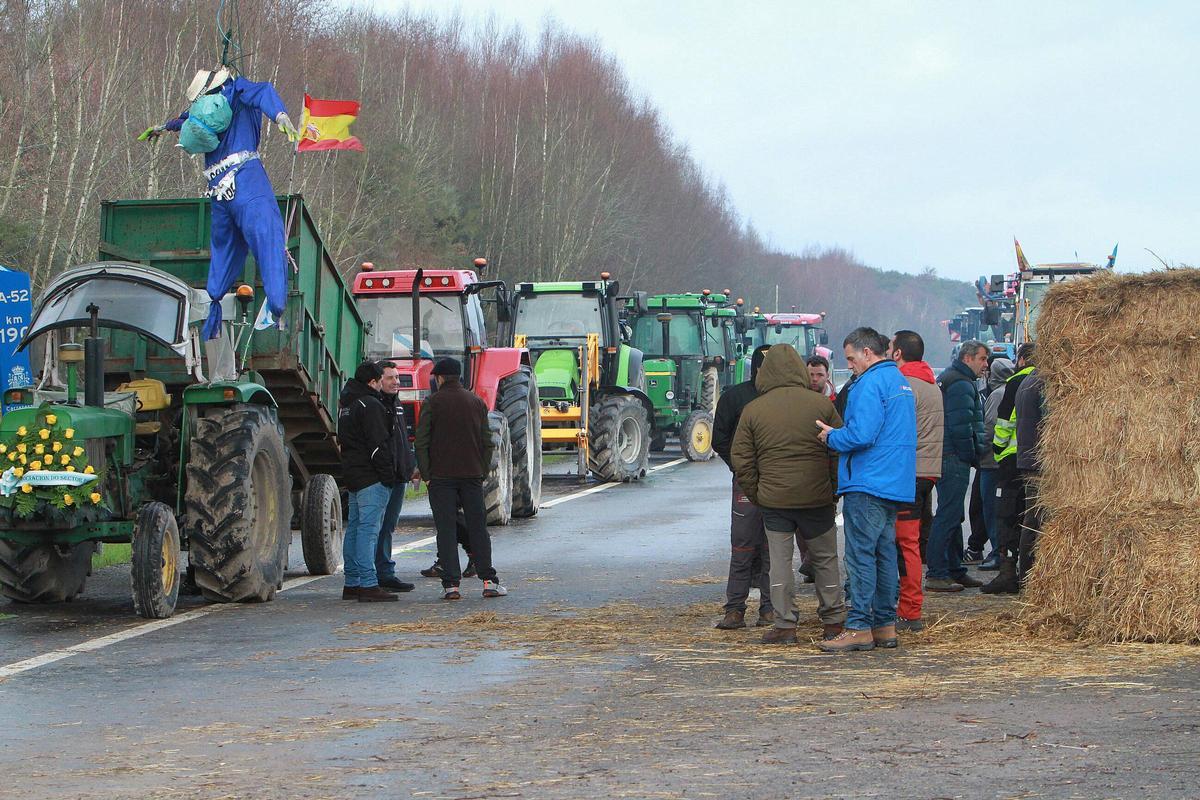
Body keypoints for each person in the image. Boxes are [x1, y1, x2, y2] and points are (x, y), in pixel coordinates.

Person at [148, 68, 298, 339]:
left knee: (223, 249)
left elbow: (180, 122)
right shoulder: (237, 91)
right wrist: (280, 116)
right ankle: (276, 304)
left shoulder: (199, 110)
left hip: (218, 190)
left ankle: (216, 301)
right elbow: (263, 91)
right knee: (267, 237)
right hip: (246, 181)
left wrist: (160, 128)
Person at [731, 344, 847, 644]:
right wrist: (833, 489)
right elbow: (838, 451)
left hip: (774, 501)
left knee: (780, 563)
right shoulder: (821, 406)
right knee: (825, 560)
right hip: (817, 498)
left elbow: (742, 458)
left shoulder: (754, 409)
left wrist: (758, 492)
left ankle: (785, 625)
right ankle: (834, 621)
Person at [816, 328, 916, 653]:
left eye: (851, 358)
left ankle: (859, 626)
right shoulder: (899, 381)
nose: (851, 365)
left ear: (867, 353)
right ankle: (884, 625)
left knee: (861, 556)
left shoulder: (869, 383)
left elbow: (862, 435)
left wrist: (832, 437)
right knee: (884, 554)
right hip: (893, 480)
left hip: (867, 480)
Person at [415, 357, 506, 600]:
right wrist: (482, 470)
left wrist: (427, 475)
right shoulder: (476, 402)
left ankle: (451, 585)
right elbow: (487, 442)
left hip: (441, 477)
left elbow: (422, 442)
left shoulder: (432, 403)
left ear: (440, 378)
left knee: (446, 530)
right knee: (478, 528)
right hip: (471, 475)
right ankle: (489, 581)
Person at [712, 345, 775, 629]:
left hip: (777, 481)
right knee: (743, 545)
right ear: (758, 369)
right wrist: (738, 466)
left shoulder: (784, 398)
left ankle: (769, 608)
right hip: (747, 483)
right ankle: (735, 608)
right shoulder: (735, 397)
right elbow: (719, 438)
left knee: (774, 546)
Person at [888, 330, 943, 632]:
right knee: (912, 542)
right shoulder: (931, 384)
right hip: (927, 472)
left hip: (908, 474)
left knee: (904, 542)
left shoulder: (904, 384)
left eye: (889, 348)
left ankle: (909, 609)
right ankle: (909, 605)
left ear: (898, 354)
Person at [925, 341, 989, 593]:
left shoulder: (950, 379)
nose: (986, 365)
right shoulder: (961, 384)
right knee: (949, 515)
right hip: (953, 455)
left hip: (945, 452)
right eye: (982, 359)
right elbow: (962, 426)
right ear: (968, 358)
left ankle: (954, 568)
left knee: (952, 514)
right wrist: (972, 455)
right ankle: (937, 572)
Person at [337, 361, 400, 602]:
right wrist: (387, 475)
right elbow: (378, 444)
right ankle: (368, 583)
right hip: (371, 477)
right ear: (373, 382)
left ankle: (351, 581)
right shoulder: (371, 405)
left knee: (354, 528)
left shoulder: (347, 405)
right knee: (369, 530)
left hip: (353, 474)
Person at [982, 345, 1037, 594]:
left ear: (1022, 359)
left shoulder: (1016, 382)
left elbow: (1003, 424)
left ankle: (1007, 571)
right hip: (1039, 463)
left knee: (1006, 516)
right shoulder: (1051, 381)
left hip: (1011, 461)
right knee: (1031, 516)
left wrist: (997, 449)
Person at [374, 362, 418, 593]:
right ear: (378, 380)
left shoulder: (396, 404)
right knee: (377, 527)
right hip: (384, 477)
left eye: (397, 378)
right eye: (390, 378)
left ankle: (385, 570)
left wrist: (410, 466)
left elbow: (403, 440)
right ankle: (379, 573)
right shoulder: (375, 405)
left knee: (389, 526)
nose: (396, 382)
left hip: (400, 475)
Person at [976, 357, 1015, 570]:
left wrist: (979, 452)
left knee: (991, 509)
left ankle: (996, 551)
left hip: (991, 461)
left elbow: (989, 429)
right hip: (1006, 461)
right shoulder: (1015, 389)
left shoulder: (997, 395)